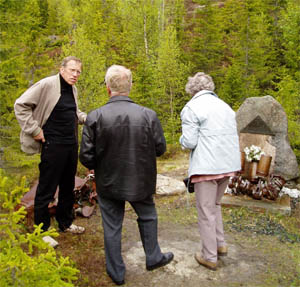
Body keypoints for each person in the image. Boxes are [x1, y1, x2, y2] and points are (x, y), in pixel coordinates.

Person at [79, 65, 174, 285]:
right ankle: (153, 257)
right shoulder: (148, 115)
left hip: (108, 182)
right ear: (130, 86)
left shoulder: (95, 116)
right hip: (140, 181)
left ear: (108, 88)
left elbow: (86, 156)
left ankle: (116, 272)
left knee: (112, 225)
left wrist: (99, 167)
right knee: (148, 215)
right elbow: (160, 149)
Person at [14, 56, 87, 247]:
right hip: (52, 145)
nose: (75, 75)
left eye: (78, 71)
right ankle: (41, 230)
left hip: (71, 144)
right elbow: (20, 105)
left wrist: (85, 117)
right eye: (72, 70)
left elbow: (73, 112)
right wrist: (35, 130)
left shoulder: (73, 89)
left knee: (67, 187)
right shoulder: (46, 85)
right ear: (62, 69)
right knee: (46, 188)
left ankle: (65, 223)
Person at [179, 72, 241, 271]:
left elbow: (189, 141)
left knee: (206, 212)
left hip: (207, 167)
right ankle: (220, 244)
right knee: (215, 206)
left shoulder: (191, 108)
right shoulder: (225, 107)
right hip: (228, 165)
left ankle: (209, 256)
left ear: (193, 90)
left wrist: (180, 141)